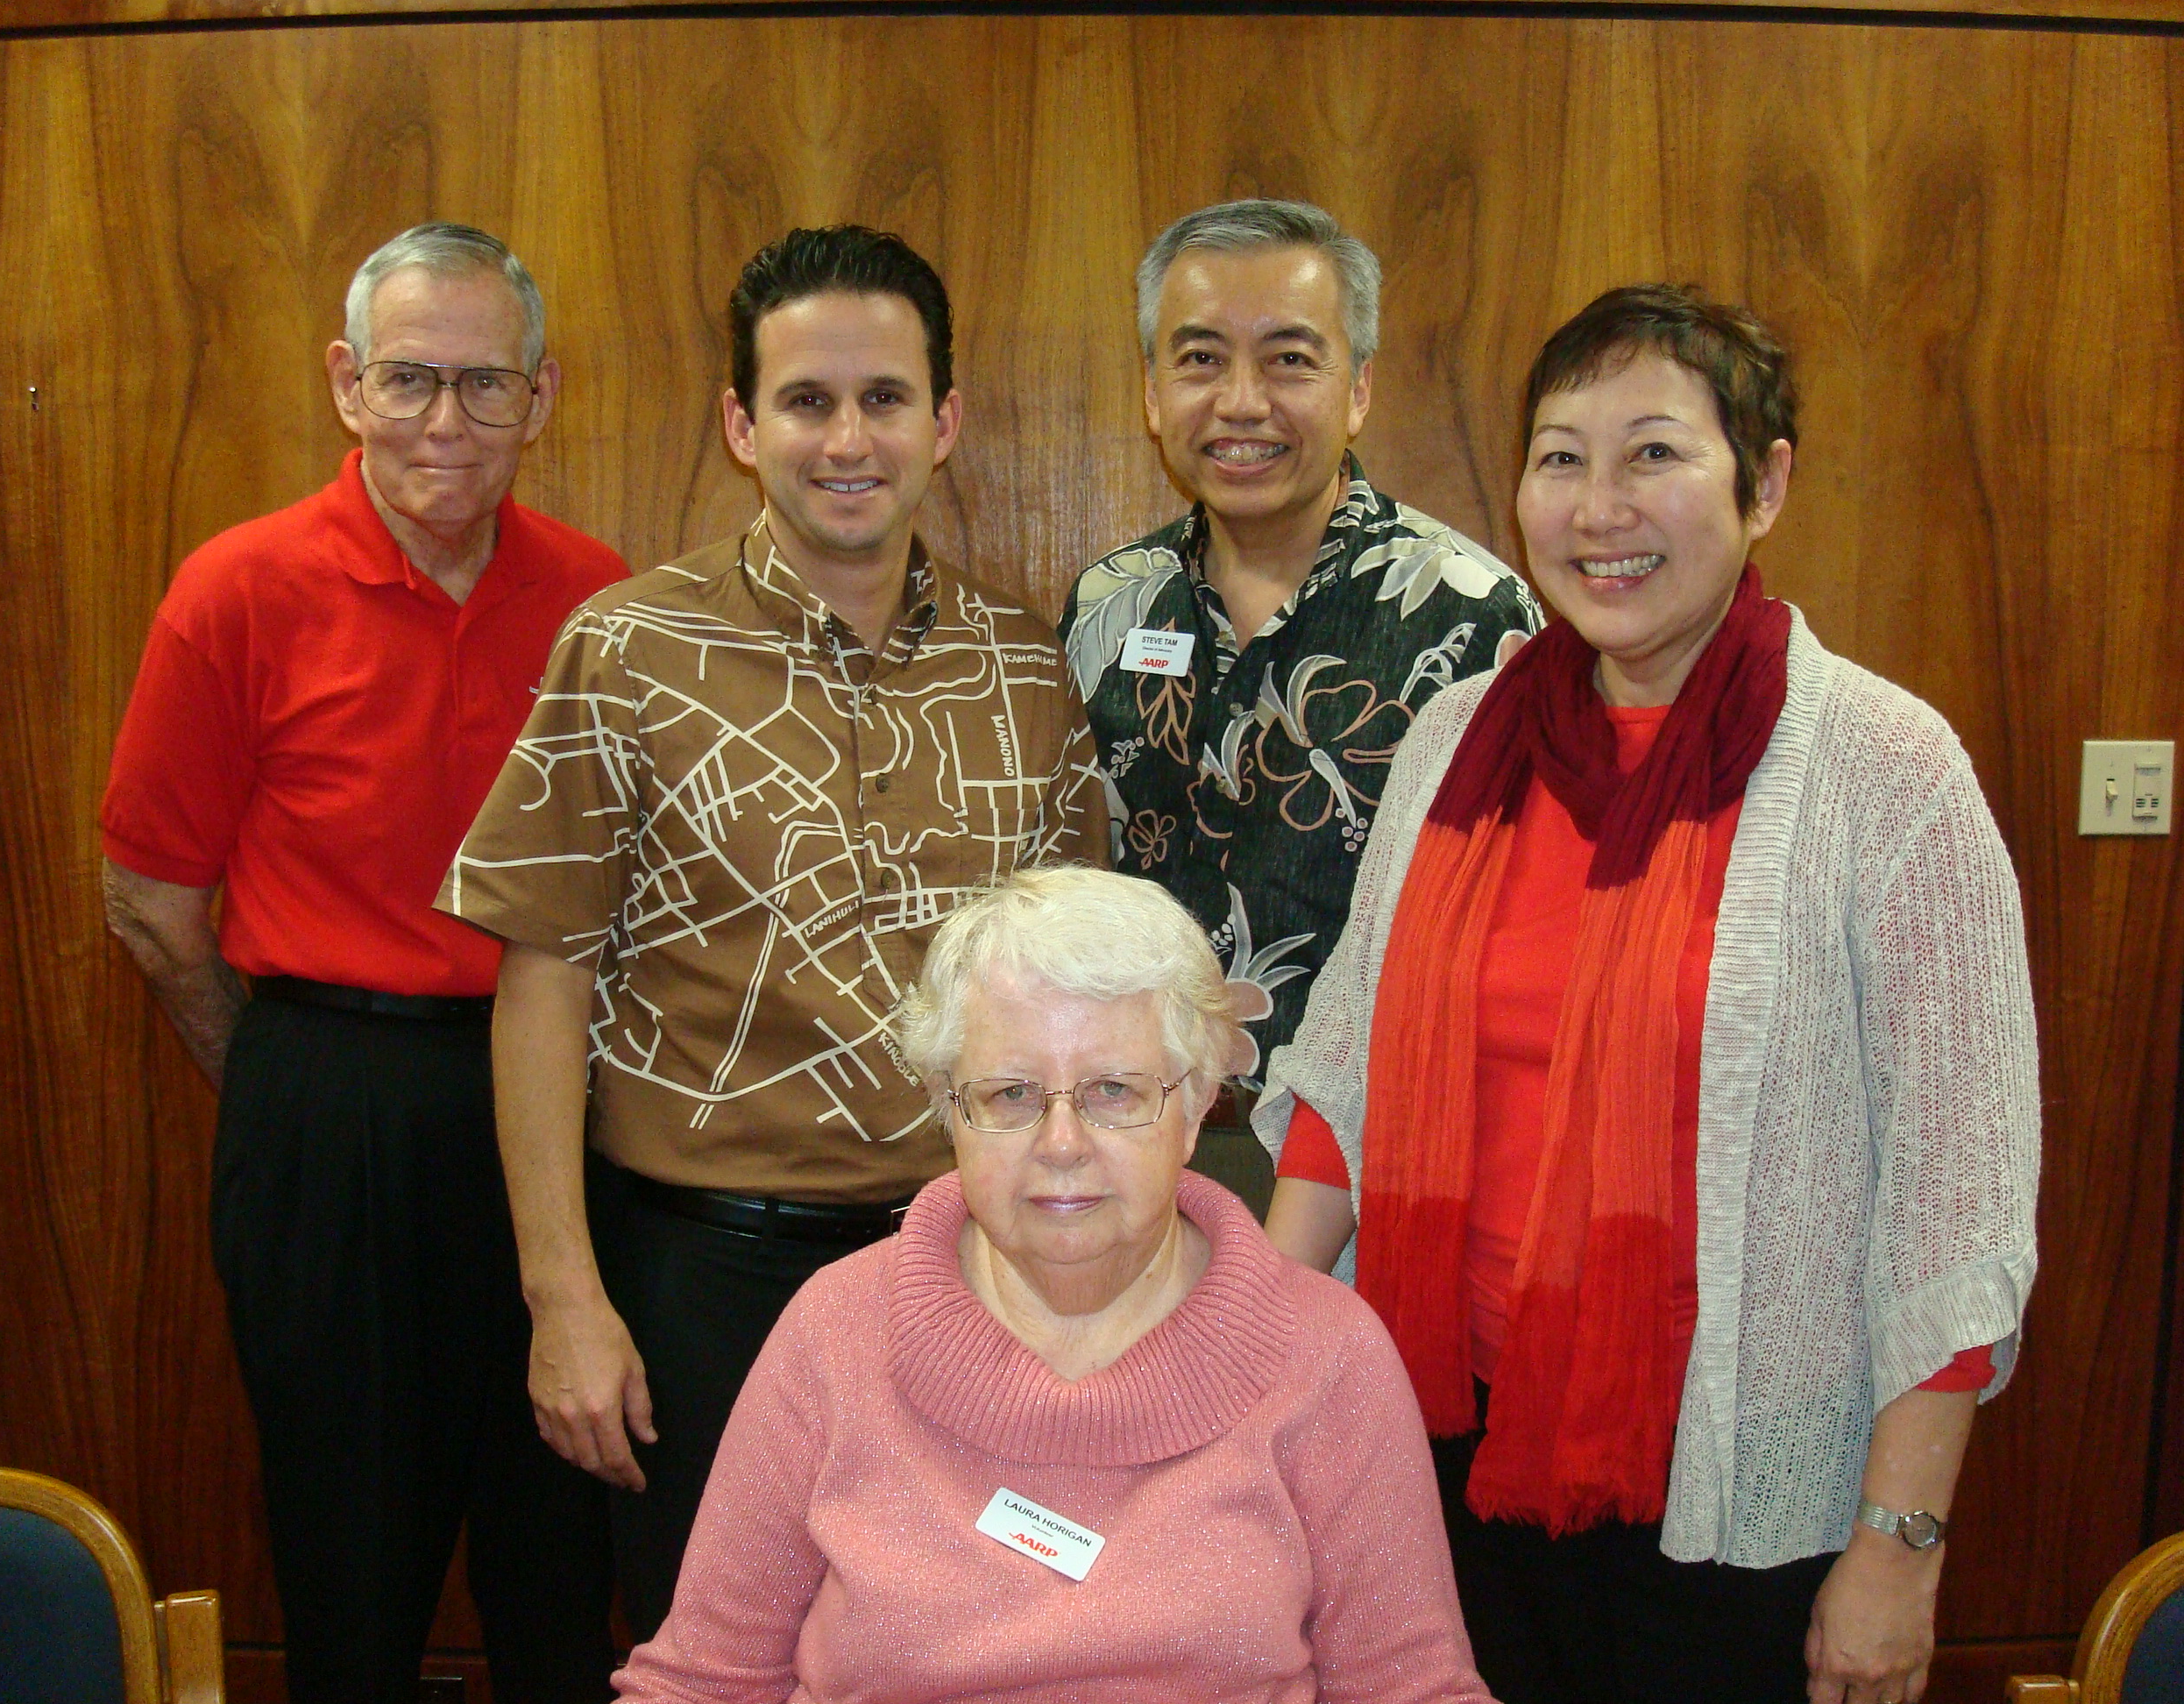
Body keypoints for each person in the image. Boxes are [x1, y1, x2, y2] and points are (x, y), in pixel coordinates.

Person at [1257, 285, 2039, 1704]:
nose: (1598, 505)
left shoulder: (1884, 768)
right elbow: (1341, 1079)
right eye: (1561, 455)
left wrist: (1899, 1544)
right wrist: (1241, 1379)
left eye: (1654, 453)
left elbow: (1958, 1198)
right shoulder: (1458, 732)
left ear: (1767, 482)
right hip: (1437, 1441)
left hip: (1736, 1483)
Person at [439, 225, 1107, 1637]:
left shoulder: (1026, 668)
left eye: (885, 398)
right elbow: (542, 981)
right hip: (698, 1279)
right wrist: (565, 1299)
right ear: (744, 424)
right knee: (716, 1653)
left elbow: (1074, 995)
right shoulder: (625, 652)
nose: (847, 438)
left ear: (947, 420)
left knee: (962, 1643)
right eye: (807, 401)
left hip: (964, 1269)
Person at [99, 223, 625, 1702]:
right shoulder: (238, 587)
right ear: (345, 383)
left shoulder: (602, 599)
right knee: (347, 1560)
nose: (444, 424)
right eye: (407, 380)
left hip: (557, 1106)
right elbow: (146, 895)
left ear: (541, 395)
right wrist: (279, 1072)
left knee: (560, 1544)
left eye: (483, 384)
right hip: (325, 1101)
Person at [612, 866, 1494, 1704]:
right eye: (1010, 1094)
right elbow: (700, 1684)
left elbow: (1410, 1689)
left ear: (1192, 1107)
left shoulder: (1327, 1355)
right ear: (947, 1106)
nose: (1062, 1143)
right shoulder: (836, 1332)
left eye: (1113, 1089)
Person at [1060, 199, 1539, 1209]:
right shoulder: (1110, 605)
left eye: (1288, 360)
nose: (1241, 402)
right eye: (1199, 360)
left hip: (1372, 1159)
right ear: (1151, 392)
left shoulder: (1472, 616)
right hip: (1137, 1152)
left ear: (1357, 387)